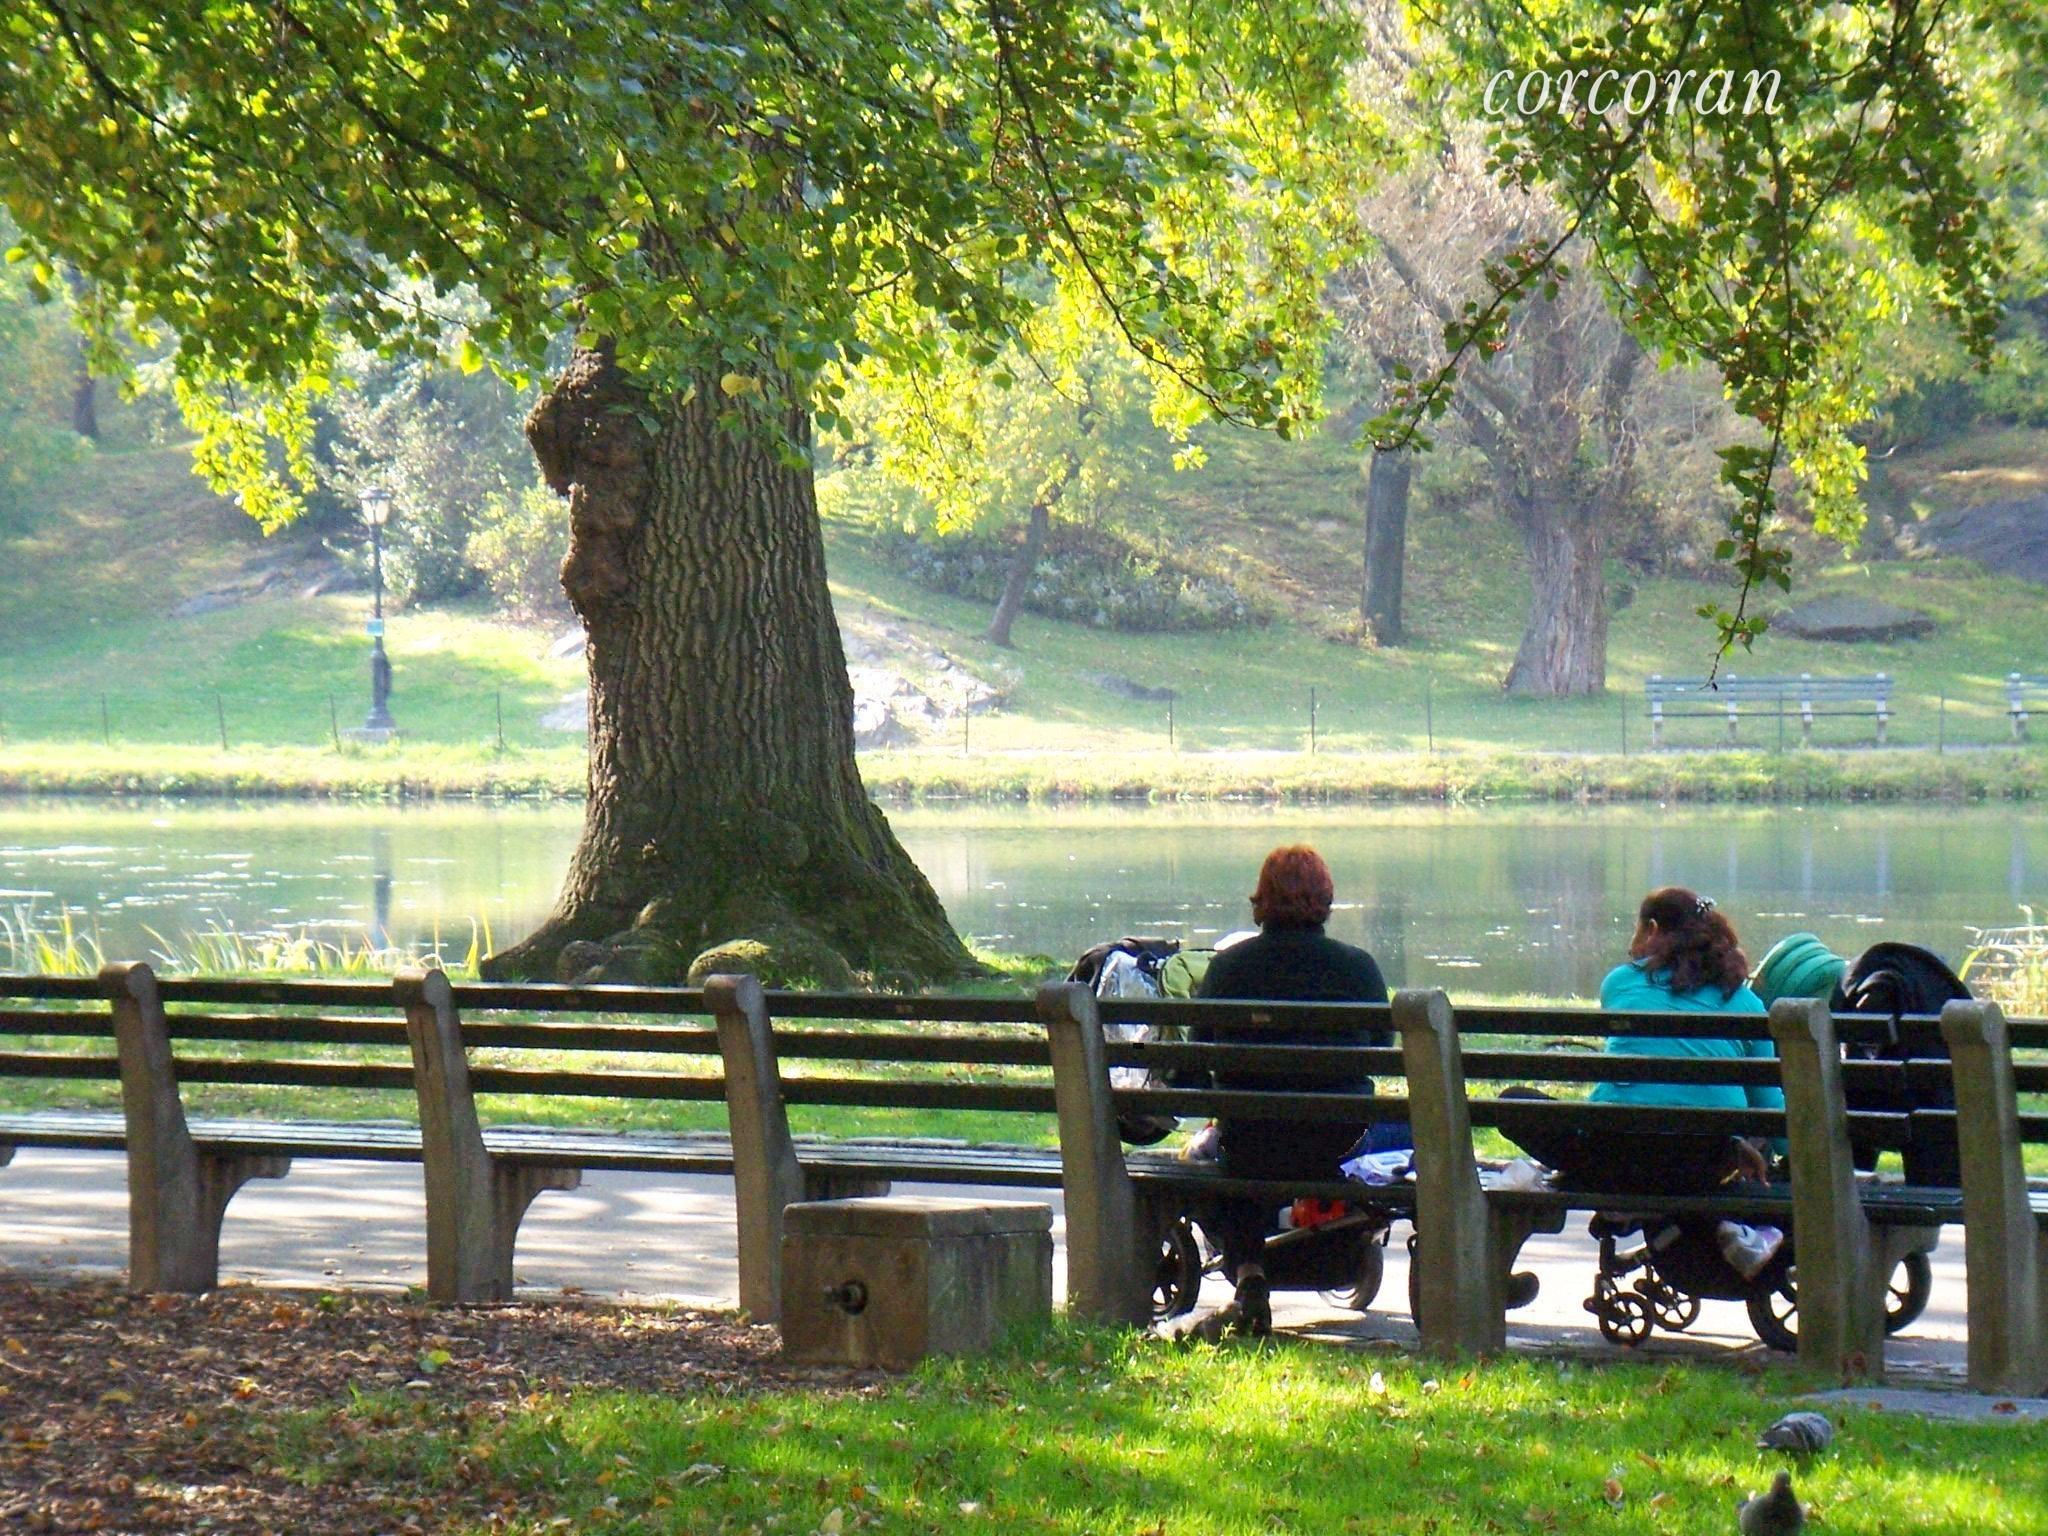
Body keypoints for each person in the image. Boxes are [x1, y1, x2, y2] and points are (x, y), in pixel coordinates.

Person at [1502, 886, 1786, 1278]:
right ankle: (1703, 1221)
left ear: (1652, 929)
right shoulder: (1747, 1003)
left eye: (1635, 932)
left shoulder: (1620, 982)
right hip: (1699, 1168)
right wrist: (1782, 1158)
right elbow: (1768, 1107)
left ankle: (1623, 1202)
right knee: (1723, 1138)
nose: (1630, 945)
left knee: (1514, 1101)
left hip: (1611, 1155)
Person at [1186, 845, 1386, 1336]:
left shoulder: (1228, 968)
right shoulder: (1358, 968)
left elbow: (1200, 1049)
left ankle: (1250, 1270)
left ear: (1262, 899)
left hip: (1249, 1139)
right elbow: (1381, 1048)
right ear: (1325, 899)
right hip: (1338, 1140)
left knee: (1211, 1158)